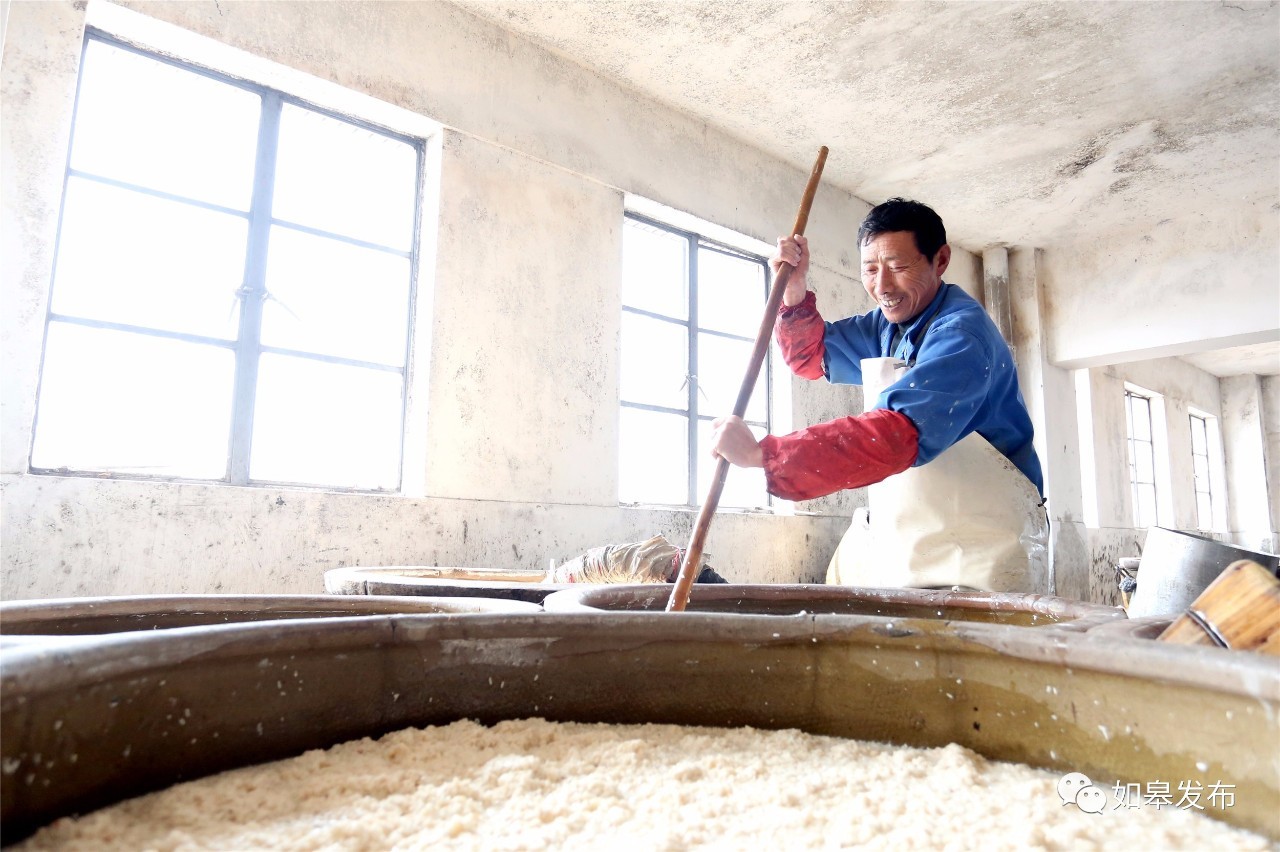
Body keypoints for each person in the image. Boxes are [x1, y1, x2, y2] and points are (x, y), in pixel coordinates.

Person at [708, 198, 1048, 592]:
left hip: (989, 545)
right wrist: (795, 289)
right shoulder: (884, 328)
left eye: (899, 267)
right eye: (870, 269)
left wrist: (762, 455)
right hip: (913, 539)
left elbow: (894, 435)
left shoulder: (962, 336)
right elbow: (810, 357)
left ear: (940, 260)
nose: (882, 287)